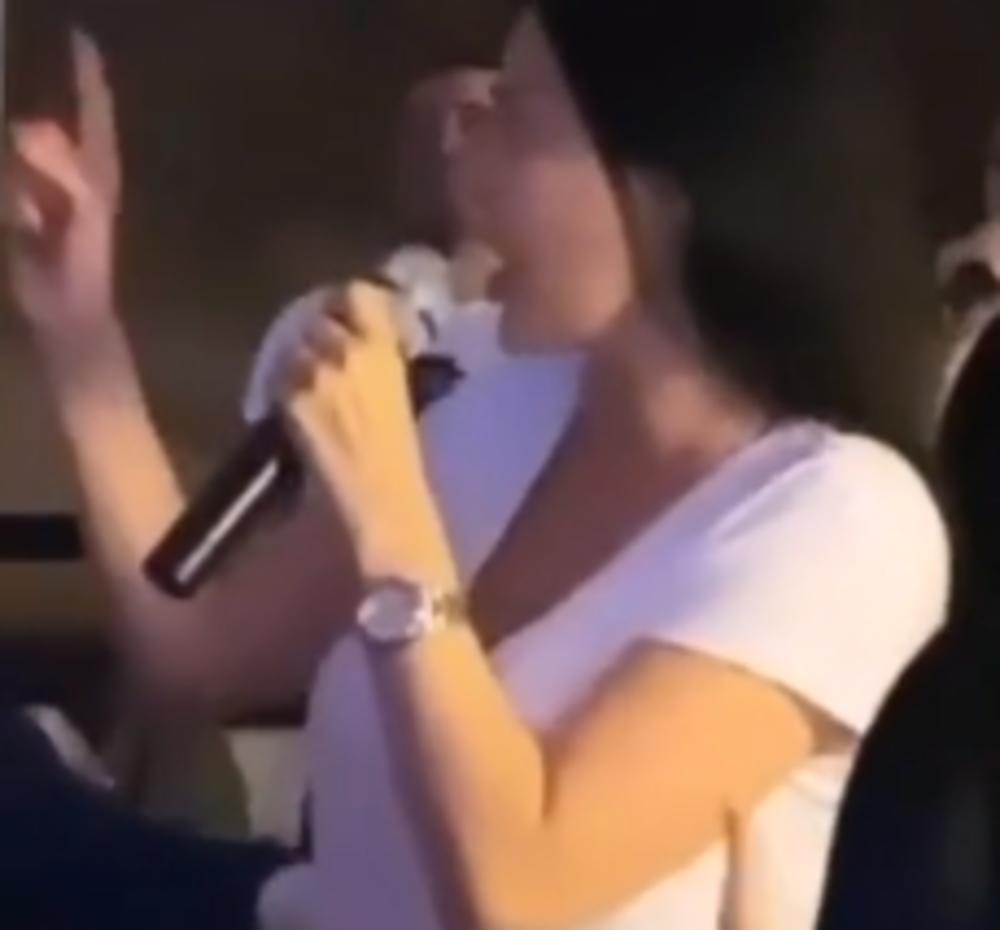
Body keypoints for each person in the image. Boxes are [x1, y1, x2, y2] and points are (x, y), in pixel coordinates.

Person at [9, 4, 949, 930]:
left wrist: (390, 517)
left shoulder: (838, 516)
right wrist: (79, 327)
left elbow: (519, 889)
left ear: (668, 193)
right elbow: (196, 648)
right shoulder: (504, 392)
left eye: (518, 118)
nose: (466, 164)